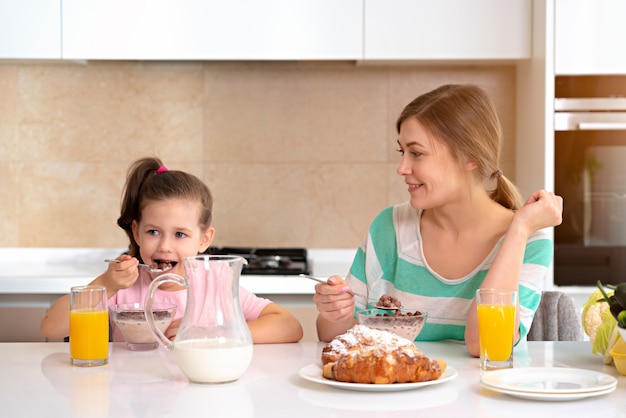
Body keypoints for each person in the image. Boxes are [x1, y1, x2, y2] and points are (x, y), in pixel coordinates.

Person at [313, 84, 563, 357]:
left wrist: (519, 230)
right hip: (396, 396)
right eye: (402, 153)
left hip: (481, 398)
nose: (402, 168)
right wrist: (334, 313)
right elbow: (331, 335)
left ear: (469, 157)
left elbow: (487, 346)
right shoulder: (390, 227)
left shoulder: (529, 240)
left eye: (417, 153)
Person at [41, 157, 303, 344]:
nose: (165, 246)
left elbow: (290, 326)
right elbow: (51, 326)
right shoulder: (123, 287)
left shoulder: (214, 287)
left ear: (204, 240)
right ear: (136, 231)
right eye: (153, 232)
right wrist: (106, 284)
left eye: (180, 234)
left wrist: (214, 333)